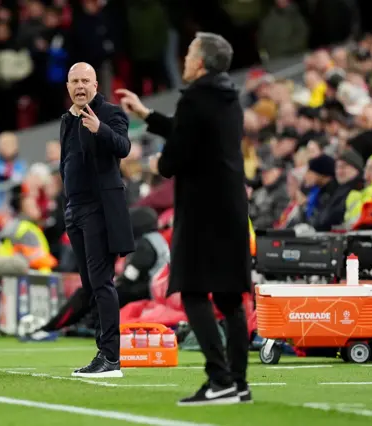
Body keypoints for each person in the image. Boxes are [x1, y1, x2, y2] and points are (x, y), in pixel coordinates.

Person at [117, 32, 251, 406]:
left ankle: (219, 379)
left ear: (201, 63)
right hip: (232, 210)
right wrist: (146, 115)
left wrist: (158, 163)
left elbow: (174, 159)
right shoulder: (227, 96)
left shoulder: (195, 98)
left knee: (192, 292)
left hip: (202, 210)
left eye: (190, 53)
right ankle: (238, 382)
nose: (185, 58)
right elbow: (189, 129)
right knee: (229, 298)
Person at [59, 62, 134, 378]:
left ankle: (111, 358)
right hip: (75, 210)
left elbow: (124, 147)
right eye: (74, 81)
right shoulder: (67, 119)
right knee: (91, 285)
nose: (79, 86)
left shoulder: (110, 112)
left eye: (85, 81)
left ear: (95, 84)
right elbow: (67, 163)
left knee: (102, 282)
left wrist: (99, 129)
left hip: (99, 210)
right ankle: (103, 354)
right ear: (68, 86)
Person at [30, 206, 169, 340]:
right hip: (154, 292)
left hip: (147, 292)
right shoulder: (157, 240)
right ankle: (87, 323)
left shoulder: (146, 244)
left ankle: (53, 327)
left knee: (90, 292)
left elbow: (130, 277)